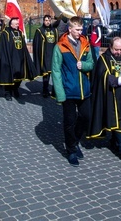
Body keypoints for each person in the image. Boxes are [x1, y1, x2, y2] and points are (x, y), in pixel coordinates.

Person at [51, 16, 94, 166]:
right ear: (70, 29)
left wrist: (85, 65)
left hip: (84, 89)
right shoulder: (60, 46)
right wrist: (60, 94)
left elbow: (91, 63)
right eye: (77, 29)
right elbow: (55, 71)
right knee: (69, 122)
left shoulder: (84, 43)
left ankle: (74, 141)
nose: (80, 32)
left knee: (86, 117)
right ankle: (71, 150)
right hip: (68, 90)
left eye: (81, 29)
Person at [0, 17, 38, 101]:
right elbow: (3, 46)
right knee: (9, 74)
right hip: (10, 57)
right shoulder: (5, 33)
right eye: (16, 24)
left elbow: (23, 45)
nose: (17, 25)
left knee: (20, 74)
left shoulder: (20, 32)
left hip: (19, 57)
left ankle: (15, 88)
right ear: (11, 24)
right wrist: (5, 58)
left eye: (17, 24)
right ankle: (7, 92)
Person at [33, 15, 59, 97]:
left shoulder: (55, 30)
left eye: (49, 20)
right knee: (46, 74)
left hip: (53, 55)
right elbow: (36, 44)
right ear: (43, 21)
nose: (47, 22)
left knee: (55, 74)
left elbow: (57, 43)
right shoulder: (39, 31)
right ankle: (45, 90)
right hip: (45, 55)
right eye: (46, 20)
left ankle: (55, 91)